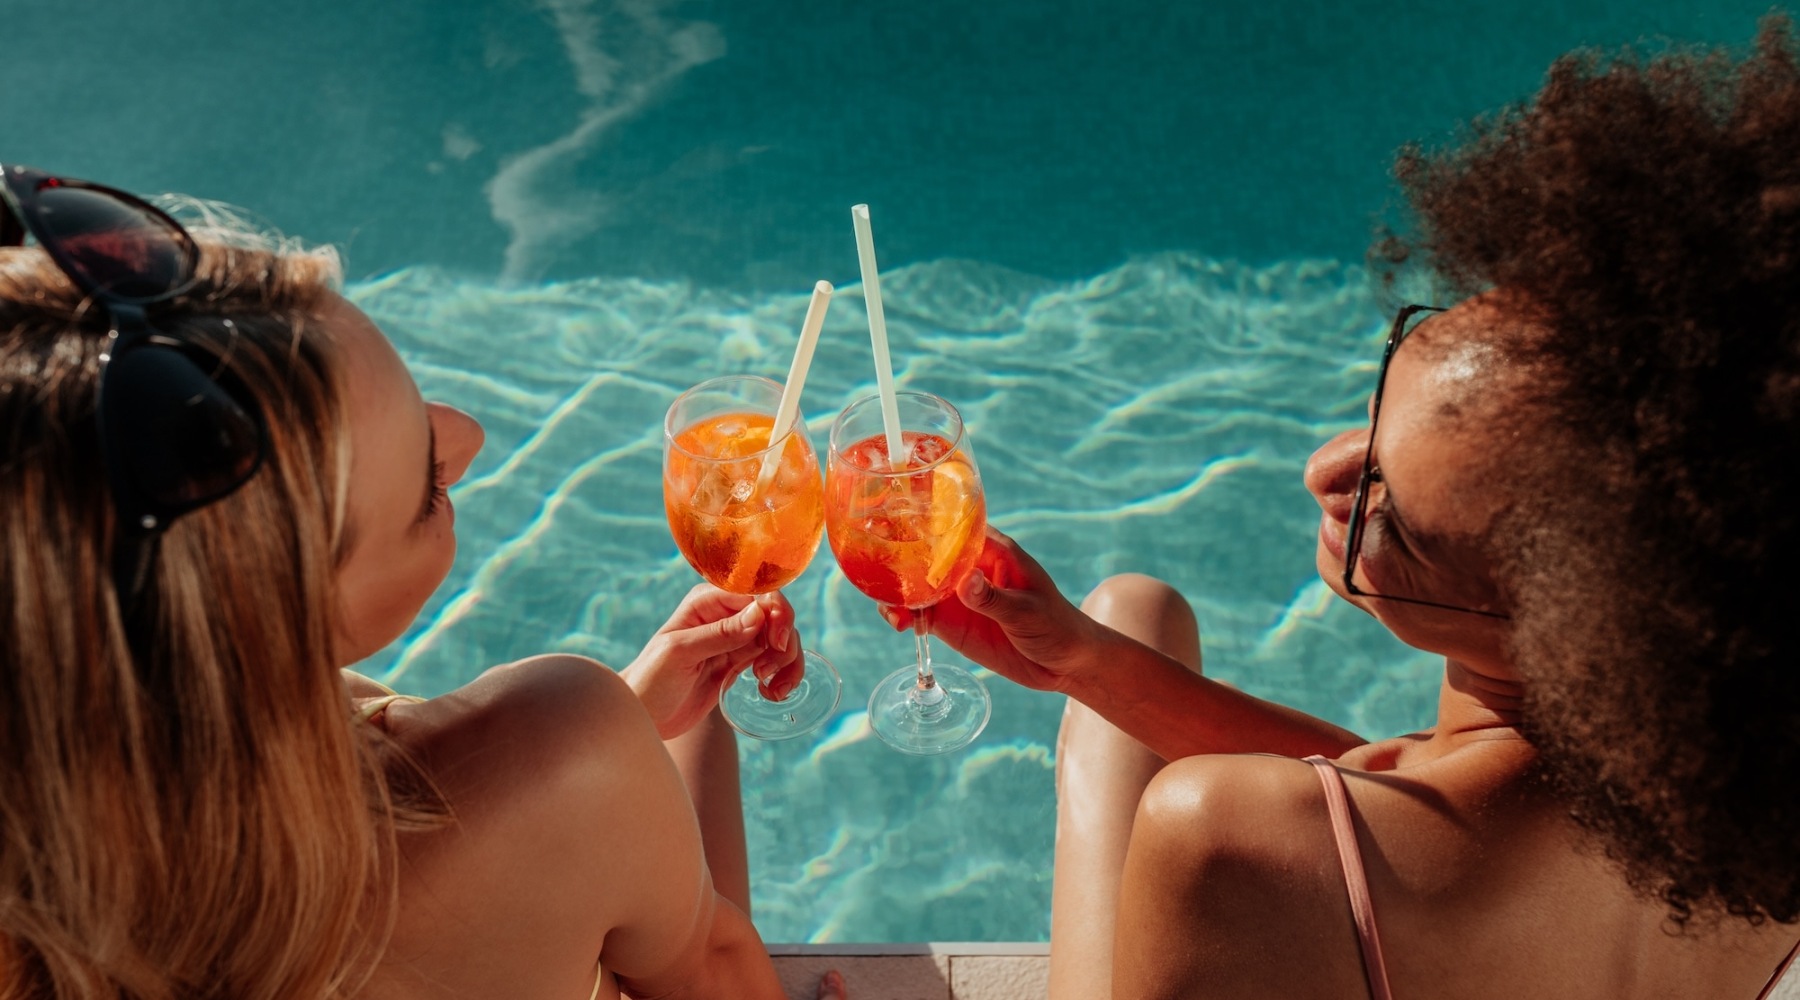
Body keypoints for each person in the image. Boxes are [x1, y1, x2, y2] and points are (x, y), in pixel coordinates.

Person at [885, 15, 1800, 999]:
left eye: (1389, 514)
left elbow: (1349, 831)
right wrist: (1088, 664)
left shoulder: (1228, 838)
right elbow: (1405, 793)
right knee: (1126, 621)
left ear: (1567, 619)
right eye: (1379, 403)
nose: (1326, 471)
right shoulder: (1740, 774)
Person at [0, 164, 815, 998]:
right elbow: (714, 967)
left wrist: (620, 734)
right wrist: (593, 749)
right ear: (274, 619)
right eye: (425, 483)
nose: (468, 437)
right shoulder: (564, 737)